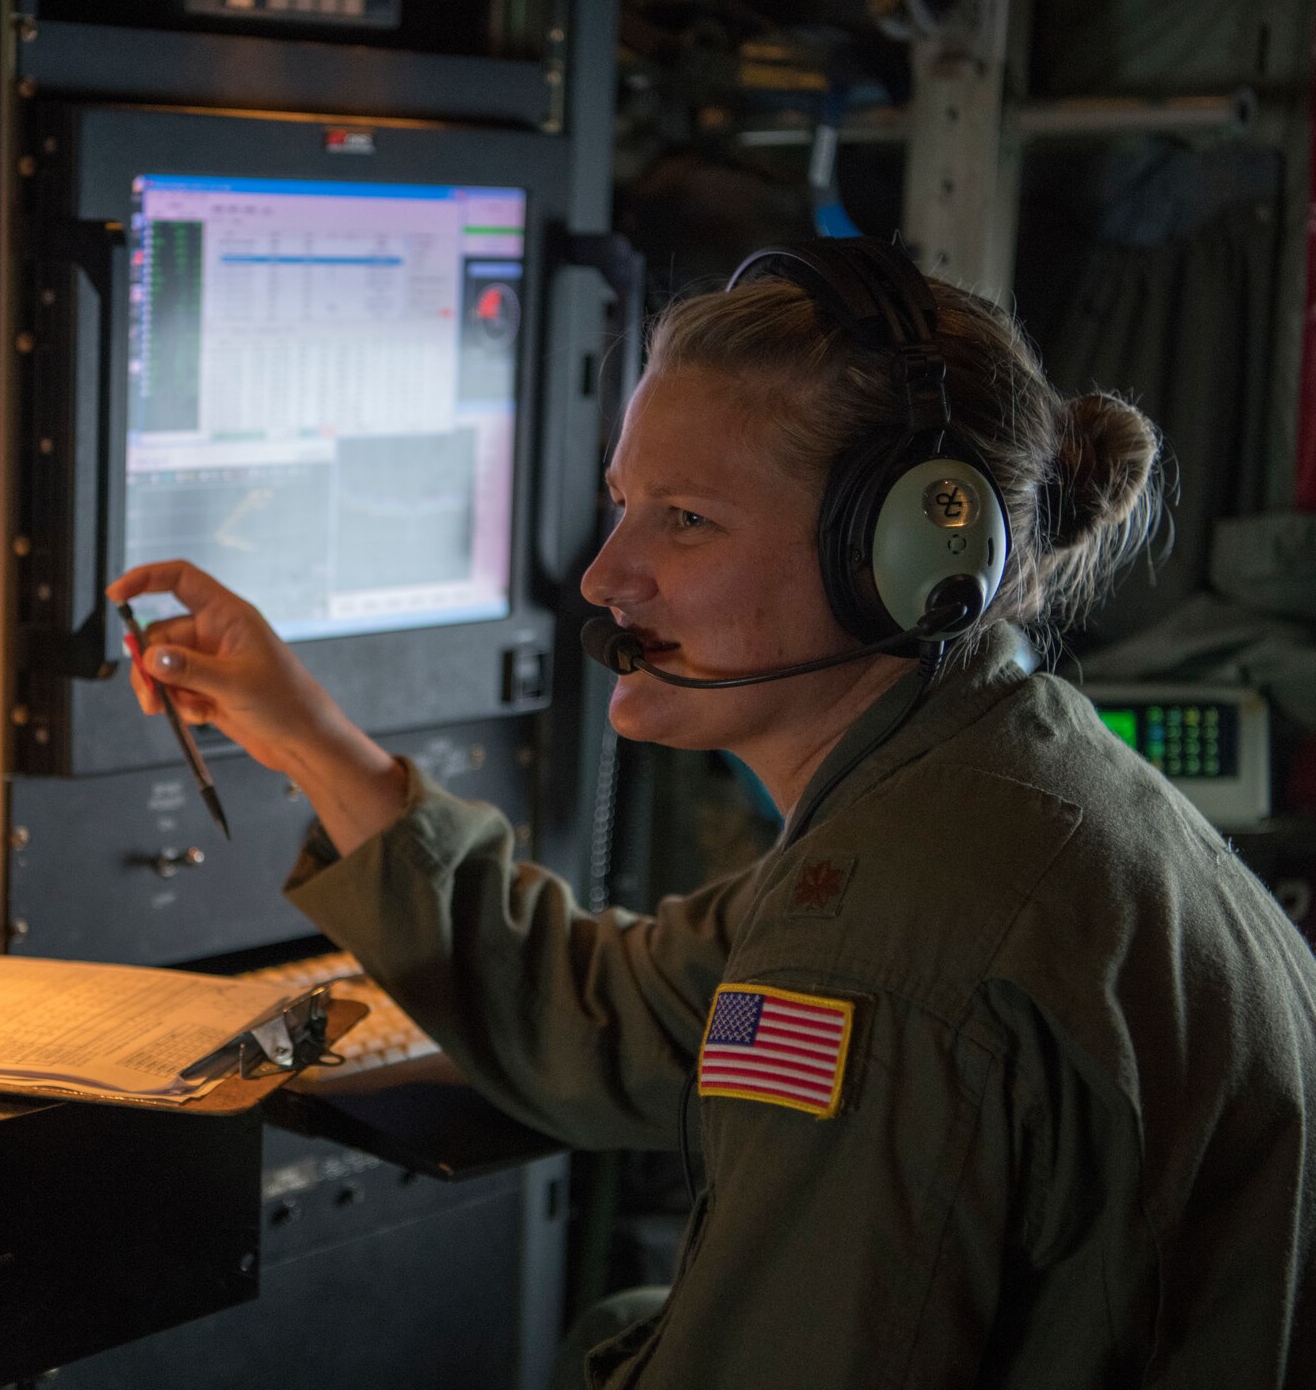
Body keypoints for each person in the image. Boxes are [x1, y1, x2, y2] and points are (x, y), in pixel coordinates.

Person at [106, 240, 1316, 1387]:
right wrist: (307, 736)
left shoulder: (886, 943)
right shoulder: (987, 789)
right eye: (621, 500)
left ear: (897, 558)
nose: (604, 575)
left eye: (683, 520)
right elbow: (604, 1017)